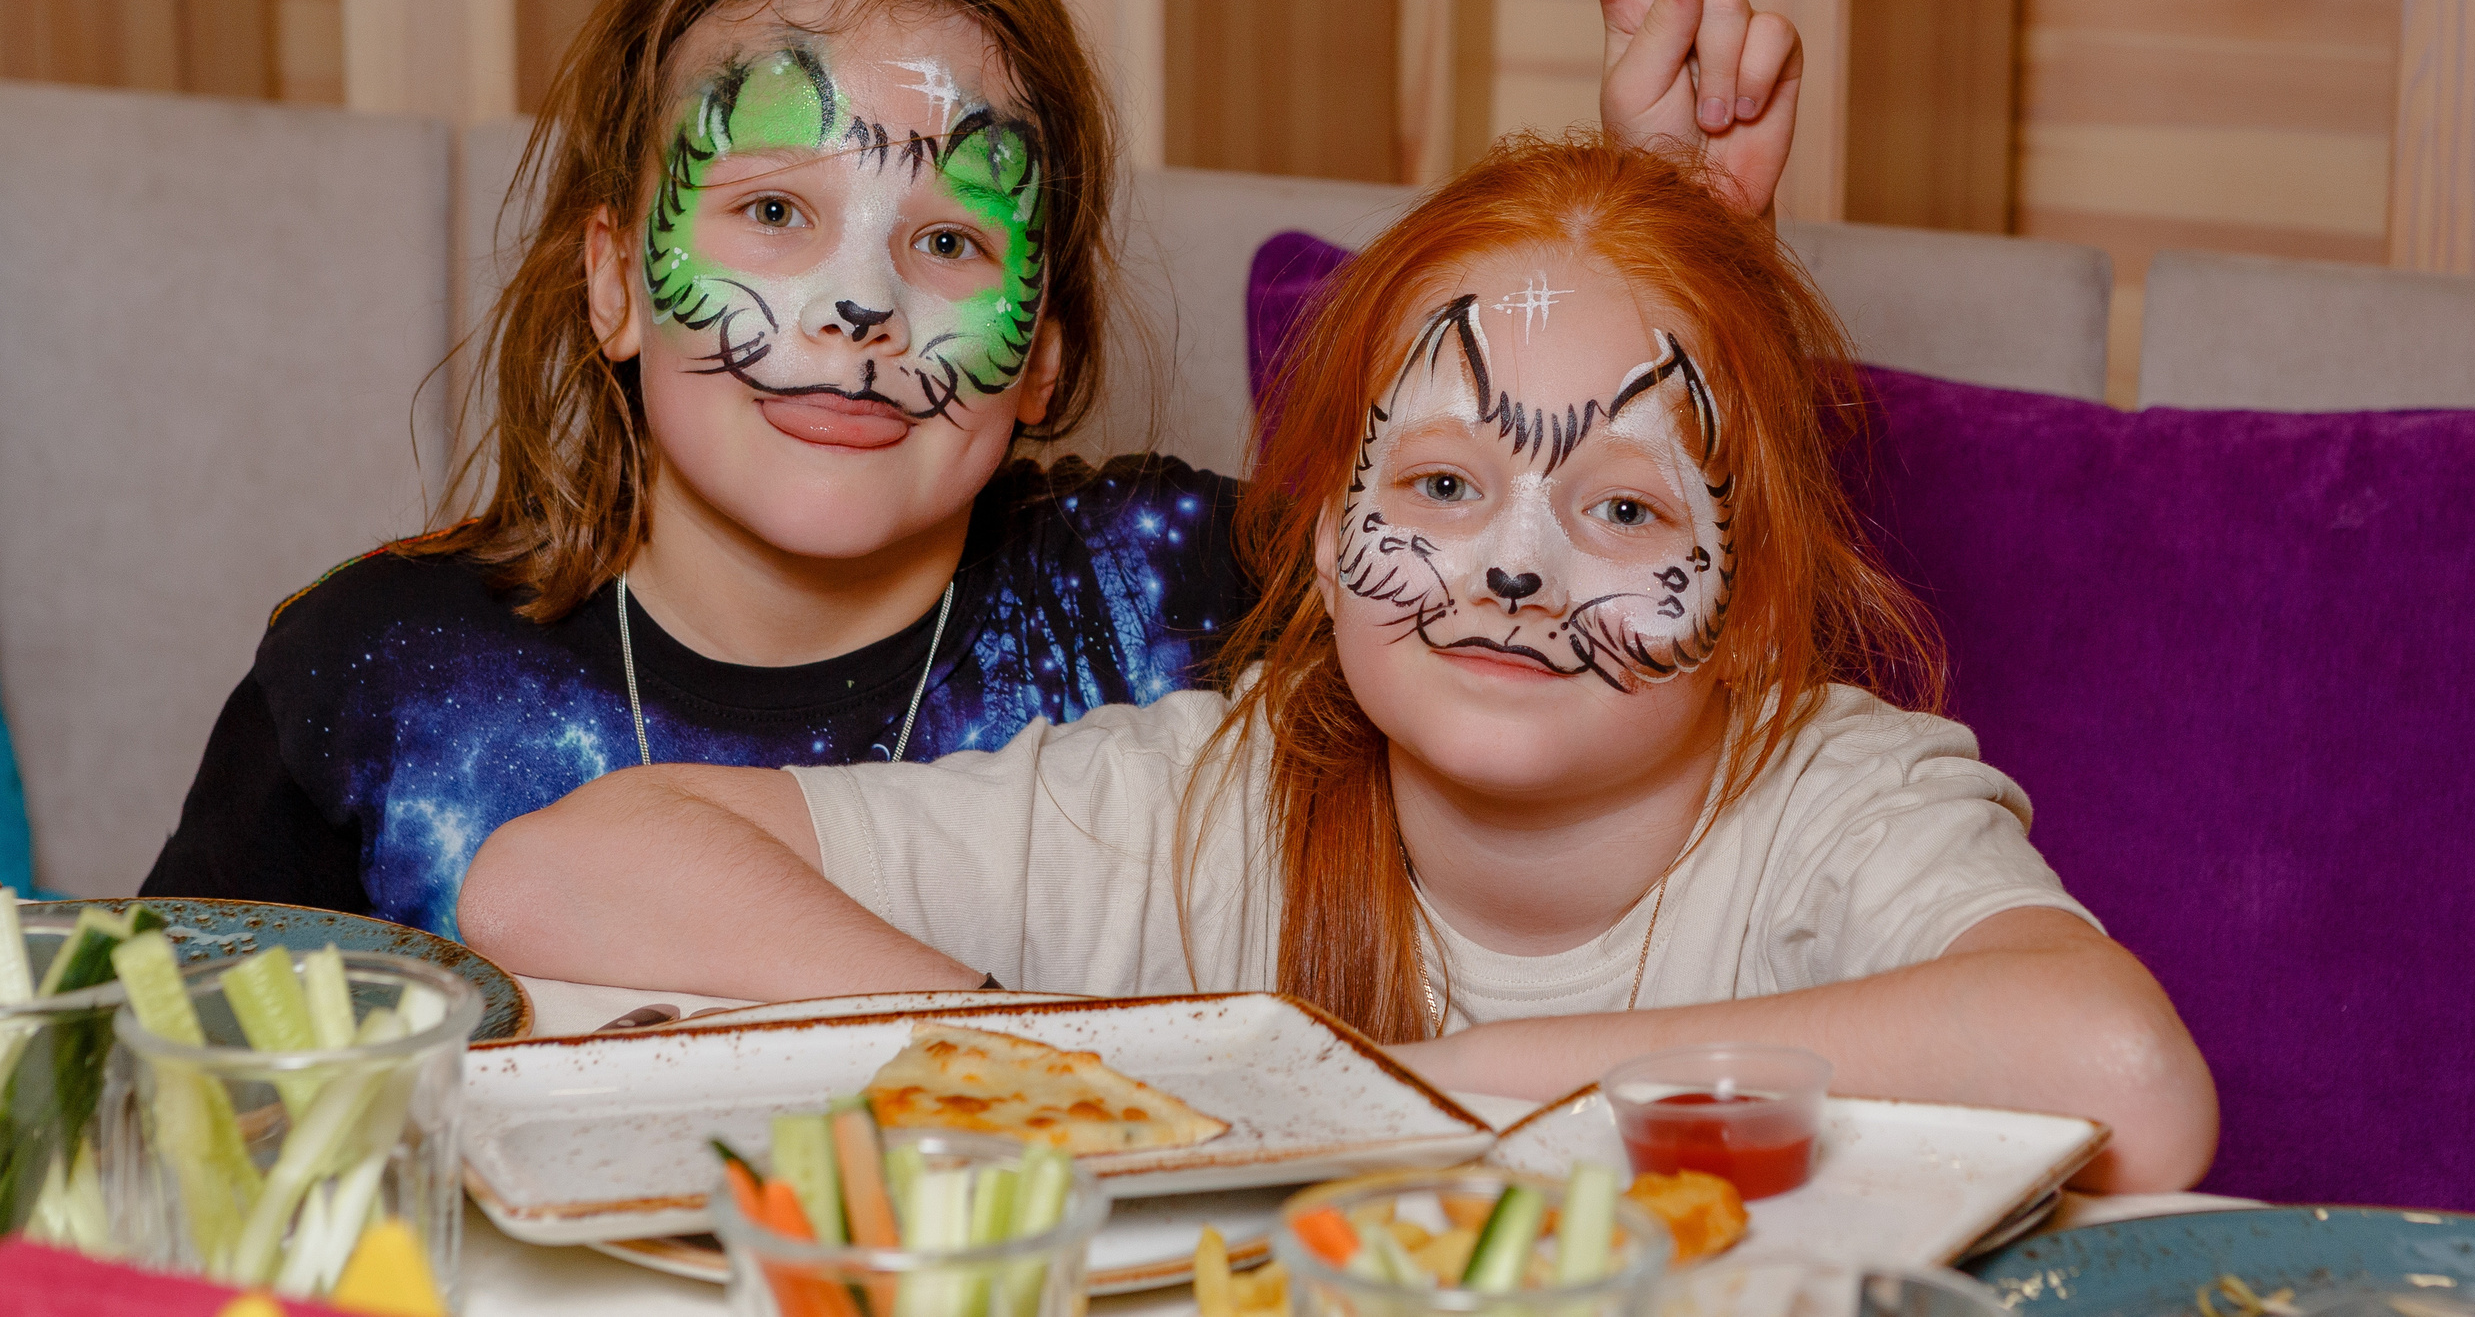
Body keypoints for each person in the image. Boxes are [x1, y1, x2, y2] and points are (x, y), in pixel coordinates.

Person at [141, 0, 1804, 940]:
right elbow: (146, 1122)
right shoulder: (381, 672)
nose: (861, 304)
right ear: (609, 286)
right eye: (778, 212)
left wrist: (1662, 271)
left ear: (1051, 347)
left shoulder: (1187, 595)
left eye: (948, 242)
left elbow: (1609, 669)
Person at [456, 135, 2218, 1193]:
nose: (1513, 562)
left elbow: (2125, 1082)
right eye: (1443, 486)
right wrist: (1053, 1058)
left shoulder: (1832, 795)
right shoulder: (1214, 795)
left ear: (1756, 591)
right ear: (1320, 527)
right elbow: (557, 873)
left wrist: (1363, 1096)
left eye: (1619, 508)